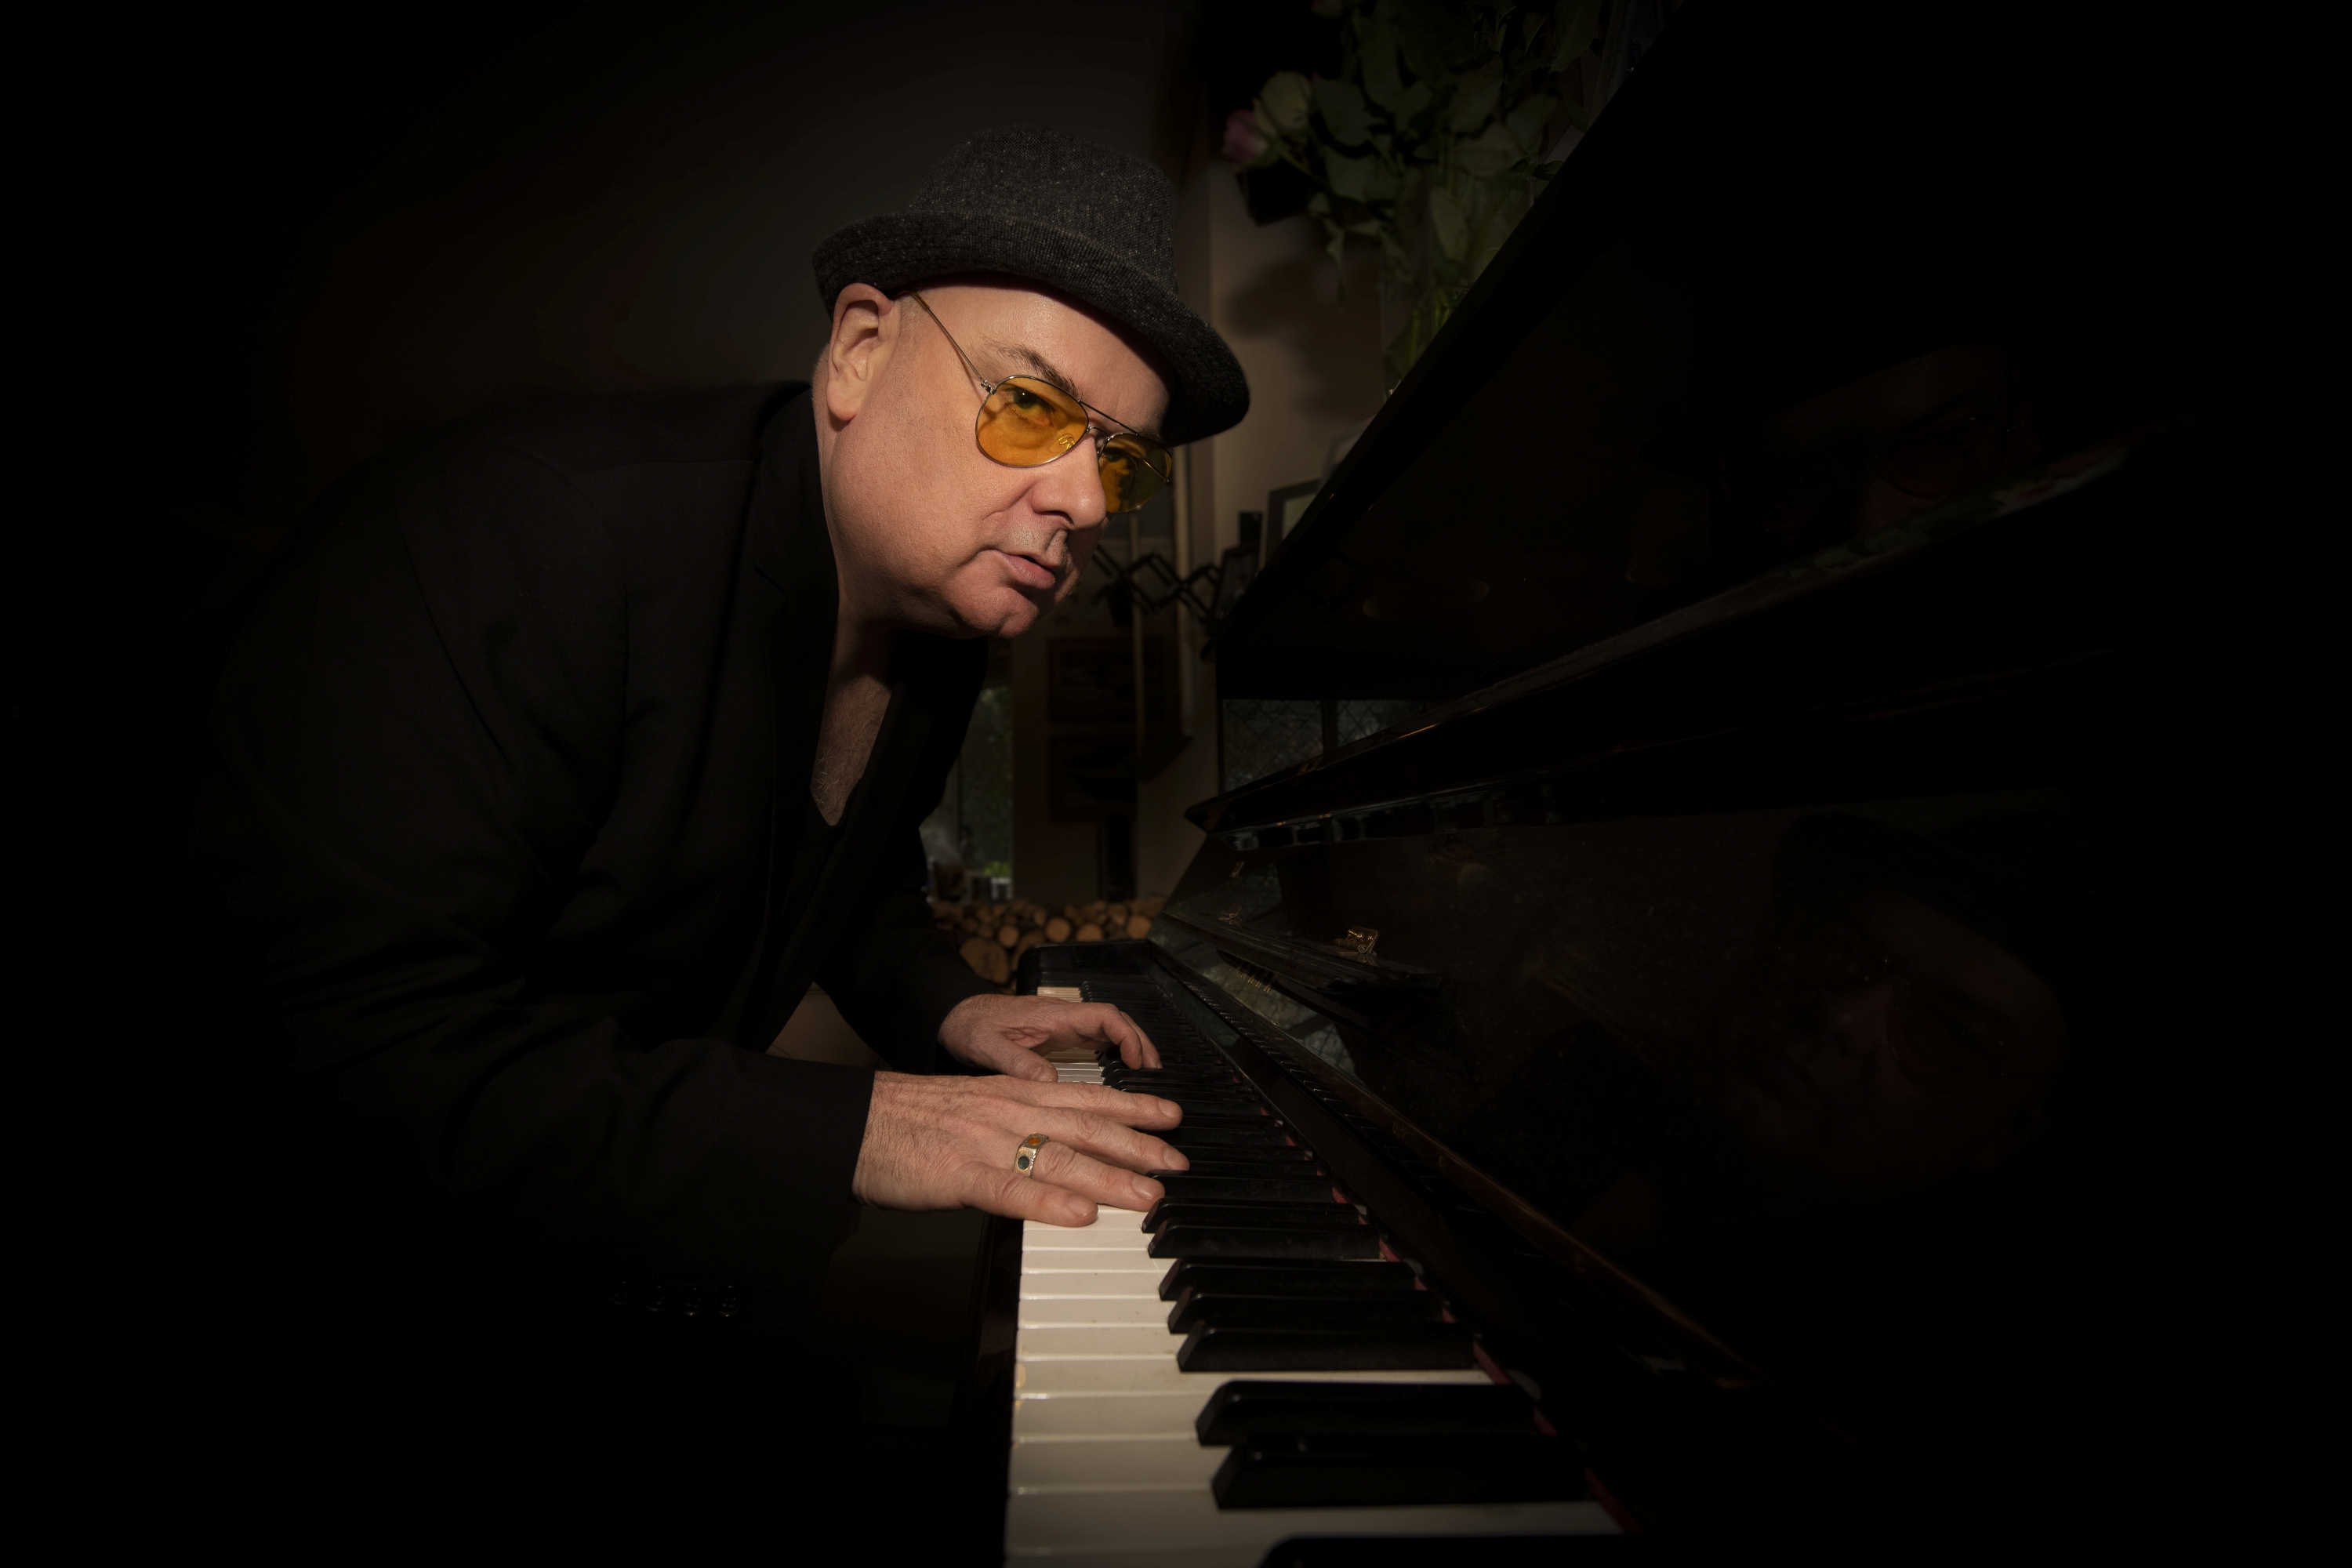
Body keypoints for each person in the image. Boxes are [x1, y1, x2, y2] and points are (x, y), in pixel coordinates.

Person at [187, 126, 1251, 1355]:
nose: (1083, 500)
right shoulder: (532, 530)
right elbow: (354, 1045)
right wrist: (860, 1126)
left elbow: (850, 875)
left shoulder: (941, 626)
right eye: (1027, 408)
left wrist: (950, 1011)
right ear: (860, 352)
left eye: (1121, 463)